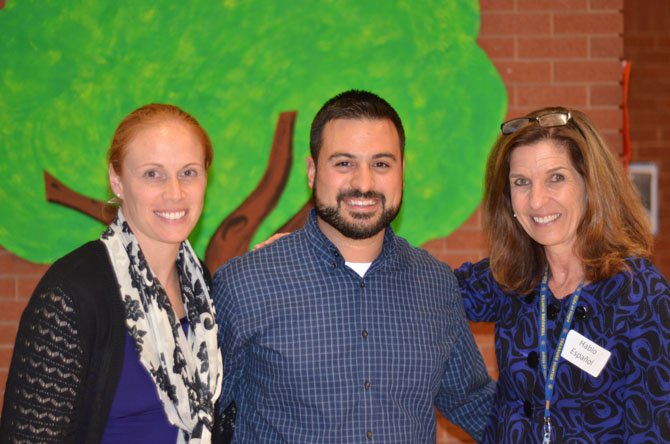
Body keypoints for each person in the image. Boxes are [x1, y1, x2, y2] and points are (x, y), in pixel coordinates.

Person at [213, 89, 495, 443]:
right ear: (313, 171)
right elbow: (200, 414)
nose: (363, 183)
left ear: (402, 171)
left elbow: (473, 403)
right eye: (344, 163)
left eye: (381, 164)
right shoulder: (245, 284)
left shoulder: (435, 284)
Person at [0, 104, 233, 443]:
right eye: (152, 174)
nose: (174, 192)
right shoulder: (73, 291)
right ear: (117, 179)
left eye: (188, 172)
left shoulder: (201, 289)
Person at [456, 107, 670, 443]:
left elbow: (654, 428)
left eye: (556, 178)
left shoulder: (639, 292)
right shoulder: (508, 278)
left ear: (590, 184)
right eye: (521, 182)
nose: (537, 201)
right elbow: (429, 291)